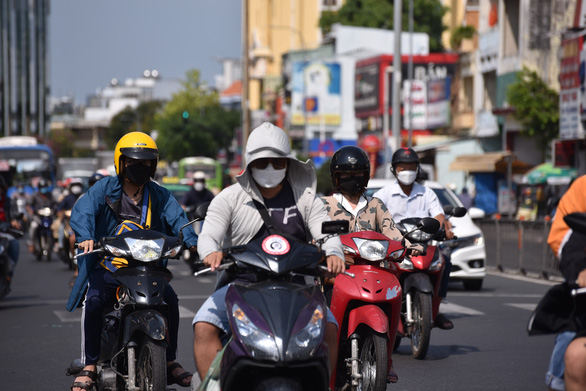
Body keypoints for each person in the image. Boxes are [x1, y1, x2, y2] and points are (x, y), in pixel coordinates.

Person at [192, 122, 346, 383]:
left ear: (288, 163)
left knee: (329, 328)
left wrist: (334, 253)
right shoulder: (229, 198)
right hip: (241, 287)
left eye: (277, 162)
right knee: (204, 326)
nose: (270, 169)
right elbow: (209, 234)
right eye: (262, 163)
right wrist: (210, 252)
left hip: (298, 288)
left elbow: (327, 233)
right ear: (250, 164)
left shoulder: (307, 198)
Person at [67, 132, 198, 391]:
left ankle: (169, 360)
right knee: (93, 300)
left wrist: (193, 241)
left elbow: (179, 219)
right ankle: (90, 364)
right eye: (133, 161)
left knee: (170, 299)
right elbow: (83, 212)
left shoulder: (159, 194)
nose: (140, 166)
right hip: (110, 268)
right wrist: (85, 237)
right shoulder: (104, 189)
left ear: (154, 165)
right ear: (120, 162)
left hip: (147, 268)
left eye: (146, 162)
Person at [320, 145, 420, 384]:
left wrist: (408, 245)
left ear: (365, 176)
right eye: (345, 174)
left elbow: (391, 231)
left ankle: (387, 357)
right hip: (335, 273)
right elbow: (314, 233)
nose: (352, 179)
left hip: (372, 272)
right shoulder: (324, 205)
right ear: (336, 178)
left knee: (393, 287)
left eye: (357, 174)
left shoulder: (375, 205)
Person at [373, 147, 455, 330]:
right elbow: (371, 216)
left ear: (417, 169)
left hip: (423, 245)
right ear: (394, 170)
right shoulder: (384, 194)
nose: (407, 171)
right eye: (403, 167)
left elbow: (439, 217)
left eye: (411, 166)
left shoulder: (427, 193)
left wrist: (444, 227)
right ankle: (379, 306)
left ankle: (435, 309)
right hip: (395, 247)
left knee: (445, 262)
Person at [546, 175, 586, 391]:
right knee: (575, 349)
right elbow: (562, 236)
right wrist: (580, 270)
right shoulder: (582, 187)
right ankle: (558, 380)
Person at [0, 176, 21, 294]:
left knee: (14, 244)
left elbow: (14, 216)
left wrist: (14, 222)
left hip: (4, 233)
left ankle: (9, 274)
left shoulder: (8, 202)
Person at [26, 178, 54, 255]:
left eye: (45, 187)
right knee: (33, 226)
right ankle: (31, 243)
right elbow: (28, 205)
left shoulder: (50, 195)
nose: (43, 189)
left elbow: (55, 203)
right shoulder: (35, 195)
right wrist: (31, 211)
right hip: (38, 216)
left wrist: (55, 209)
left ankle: (58, 244)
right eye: (42, 187)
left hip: (48, 216)